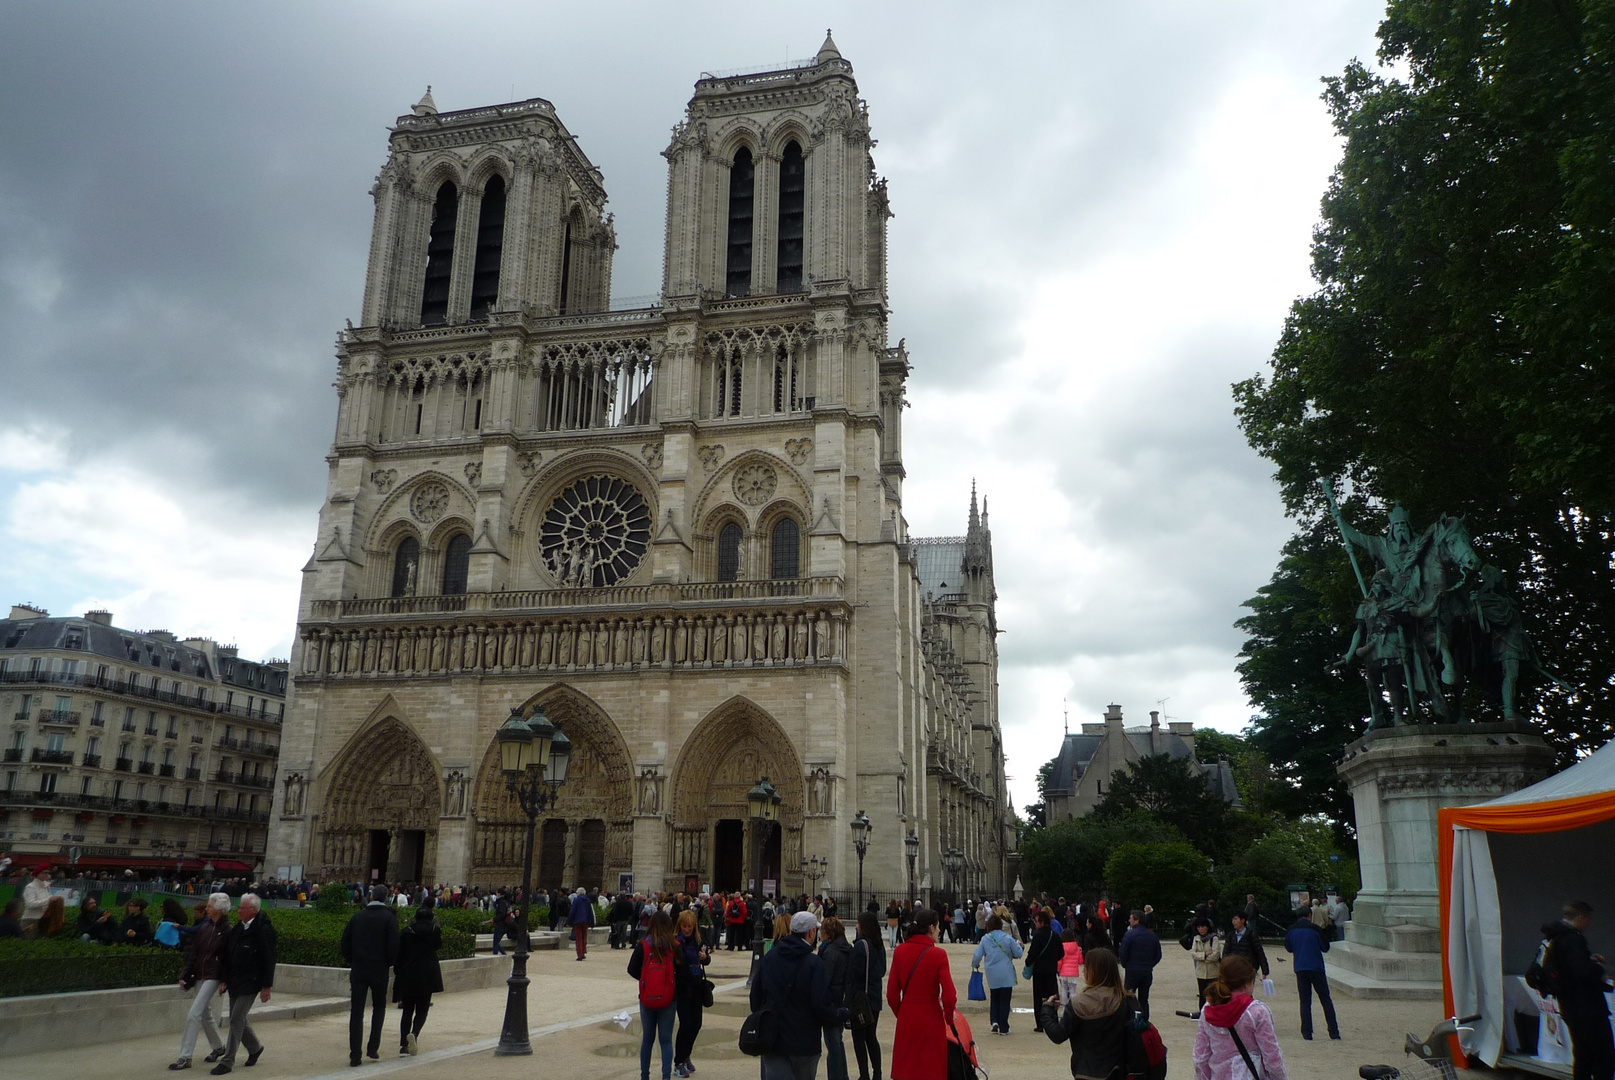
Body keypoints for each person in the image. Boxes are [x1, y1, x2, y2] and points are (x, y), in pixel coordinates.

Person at [752, 910, 845, 1080]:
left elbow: (755, 997)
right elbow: (820, 1004)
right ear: (811, 932)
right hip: (805, 1041)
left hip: (775, 1039)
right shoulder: (813, 962)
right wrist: (839, 1015)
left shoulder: (770, 957)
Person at [1541, 900, 1613, 1080]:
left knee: (1582, 1054)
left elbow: (1569, 967)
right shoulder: (1573, 938)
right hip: (1587, 1008)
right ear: (1581, 918)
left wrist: (1588, 961)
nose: (1588, 923)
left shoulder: (1554, 937)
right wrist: (1597, 969)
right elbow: (1582, 972)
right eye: (1588, 918)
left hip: (1569, 1005)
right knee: (1602, 1054)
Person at [1039, 947, 1135, 1080]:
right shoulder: (1127, 1001)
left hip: (1085, 1072)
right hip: (1118, 1070)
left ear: (1093, 972)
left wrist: (1046, 1010)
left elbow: (1058, 1034)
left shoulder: (1078, 1003)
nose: (1083, 971)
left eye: (1086, 967)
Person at [1192, 955, 1288, 1080]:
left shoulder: (1209, 1009)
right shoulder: (1257, 1012)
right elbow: (1272, 1056)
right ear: (1247, 984)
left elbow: (1201, 1056)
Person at [888, 908, 956, 1080]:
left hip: (907, 1017)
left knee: (907, 1070)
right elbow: (949, 996)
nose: (940, 930)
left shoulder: (900, 951)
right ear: (931, 928)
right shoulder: (938, 954)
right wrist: (948, 1018)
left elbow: (891, 995)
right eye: (938, 927)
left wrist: (902, 1013)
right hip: (931, 1017)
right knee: (930, 1070)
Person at [213, 893, 274, 1075]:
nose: (238, 911)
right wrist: (224, 979)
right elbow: (228, 955)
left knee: (236, 1018)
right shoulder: (237, 929)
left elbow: (269, 959)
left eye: (242, 908)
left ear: (253, 910)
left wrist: (266, 986)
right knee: (237, 1017)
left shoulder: (264, 930)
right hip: (235, 980)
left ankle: (227, 1060)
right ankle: (255, 1048)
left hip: (251, 981)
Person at [341, 884, 401, 1066]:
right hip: (379, 969)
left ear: (371, 896)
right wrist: (388, 962)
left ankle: (355, 1054)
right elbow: (394, 946)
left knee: (356, 1011)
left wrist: (352, 959)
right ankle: (373, 1047)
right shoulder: (389, 919)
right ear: (385, 898)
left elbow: (345, 942)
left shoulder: (357, 916)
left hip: (359, 968)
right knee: (379, 1007)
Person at [171, 893, 231, 1070]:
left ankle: (185, 1056)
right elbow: (195, 954)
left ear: (218, 909)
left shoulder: (228, 930)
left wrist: (224, 980)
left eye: (210, 906)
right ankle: (219, 1047)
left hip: (214, 975)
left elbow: (229, 957)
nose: (207, 909)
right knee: (205, 1014)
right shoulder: (205, 928)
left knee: (195, 1013)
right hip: (200, 975)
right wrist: (185, 974)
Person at [630, 909, 681, 1080]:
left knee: (647, 1040)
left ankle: (645, 1075)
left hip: (647, 997)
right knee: (666, 1040)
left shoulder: (643, 945)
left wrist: (645, 980)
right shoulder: (675, 946)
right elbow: (681, 973)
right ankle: (665, 1076)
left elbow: (631, 969)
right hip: (669, 998)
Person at [393, 895, 443, 1056]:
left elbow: (398, 954)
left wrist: (397, 971)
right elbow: (438, 946)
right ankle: (414, 1034)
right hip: (427, 974)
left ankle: (403, 1045)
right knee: (422, 1009)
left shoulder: (407, 931)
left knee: (407, 1010)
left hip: (408, 973)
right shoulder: (435, 930)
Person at [1283, 908, 1339, 1040]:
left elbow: (1289, 948)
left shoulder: (1291, 929)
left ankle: (1307, 1032)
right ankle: (1333, 1031)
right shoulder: (1315, 929)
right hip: (1316, 967)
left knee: (1305, 1001)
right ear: (1310, 916)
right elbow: (1325, 948)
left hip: (1300, 967)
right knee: (1325, 1000)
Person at [850, 909, 888, 1080]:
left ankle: (864, 1074)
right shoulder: (879, 945)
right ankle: (877, 1073)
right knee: (871, 1036)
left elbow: (855, 972)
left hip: (860, 998)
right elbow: (881, 970)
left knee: (859, 1037)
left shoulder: (860, 945)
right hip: (874, 996)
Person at [672, 909, 709, 1078]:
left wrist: (705, 958)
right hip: (682, 988)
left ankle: (686, 1055)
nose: (687, 929)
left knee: (697, 1024)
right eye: (685, 926)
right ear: (680, 926)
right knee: (685, 1025)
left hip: (696, 987)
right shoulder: (676, 943)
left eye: (690, 927)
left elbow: (706, 960)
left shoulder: (697, 942)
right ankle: (678, 1061)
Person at [820, 916, 855, 1080]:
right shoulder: (847, 948)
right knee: (836, 1042)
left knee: (833, 1044)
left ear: (828, 933)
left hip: (831, 1001)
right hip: (842, 999)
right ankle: (841, 1075)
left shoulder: (830, 952)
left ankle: (838, 1077)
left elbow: (824, 979)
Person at [1116, 909, 1162, 1023]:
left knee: (1128, 996)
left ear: (1136, 920)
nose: (1129, 920)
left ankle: (1129, 1019)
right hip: (1146, 971)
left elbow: (1123, 952)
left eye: (1131, 918)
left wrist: (1125, 964)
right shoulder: (1152, 935)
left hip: (1132, 970)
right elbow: (1158, 955)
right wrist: (1150, 964)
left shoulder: (1129, 934)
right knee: (1144, 999)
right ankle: (1144, 1020)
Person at [1026, 910, 1062, 1033]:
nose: (1035, 924)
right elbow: (1061, 953)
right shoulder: (1055, 935)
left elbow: (1032, 953)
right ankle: (1053, 1020)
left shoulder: (1038, 935)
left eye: (1036, 922)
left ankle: (1040, 1023)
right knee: (1052, 995)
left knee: (1038, 997)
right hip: (1051, 970)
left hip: (1039, 970)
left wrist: (1028, 962)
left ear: (1041, 922)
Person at [1190, 917, 1224, 1012]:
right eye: (1199, 927)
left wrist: (1200, 957)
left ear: (1207, 927)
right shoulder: (1196, 938)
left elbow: (1215, 956)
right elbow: (1192, 954)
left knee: (1214, 995)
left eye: (1203, 926)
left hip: (1213, 971)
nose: (1201, 929)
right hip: (1201, 972)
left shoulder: (1214, 938)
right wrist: (1204, 955)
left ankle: (1214, 1013)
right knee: (1202, 994)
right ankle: (1202, 1013)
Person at [1223, 913, 1270, 983]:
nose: (1233, 922)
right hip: (1233, 968)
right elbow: (1225, 953)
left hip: (1248, 969)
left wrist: (1265, 971)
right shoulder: (1231, 935)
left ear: (1243, 920)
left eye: (1236, 919)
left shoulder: (1251, 935)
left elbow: (1259, 953)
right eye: (1233, 919)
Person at [1056, 925, 1085, 1006]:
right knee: (1073, 991)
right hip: (1074, 973)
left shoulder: (1062, 947)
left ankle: (1065, 1007)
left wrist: (1059, 969)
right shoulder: (1077, 947)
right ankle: (1074, 1007)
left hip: (1064, 972)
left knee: (1064, 990)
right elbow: (1080, 961)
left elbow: (1060, 961)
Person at [569, 886, 594, 960]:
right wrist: (592, 922)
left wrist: (569, 921)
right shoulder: (588, 901)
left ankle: (579, 954)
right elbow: (590, 912)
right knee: (584, 937)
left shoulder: (576, 900)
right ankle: (583, 952)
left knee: (578, 938)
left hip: (577, 921)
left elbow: (572, 911)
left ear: (579, 893)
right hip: (585, 921)